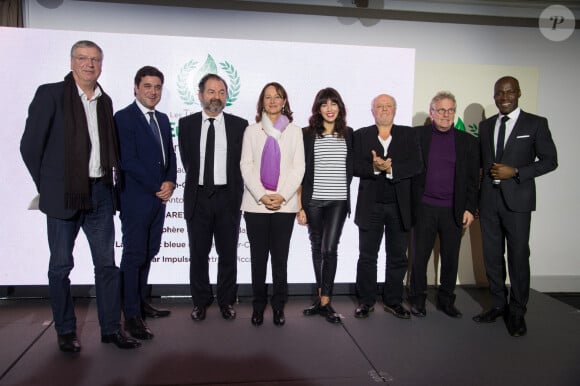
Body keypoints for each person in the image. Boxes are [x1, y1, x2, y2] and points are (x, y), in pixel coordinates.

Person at [20, 40, 140, 352]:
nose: (90, 64)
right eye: (83, 58)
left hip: (100, 192)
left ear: (102, 64)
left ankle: (112, 329)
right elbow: (30, 147)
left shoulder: (105, 100)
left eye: (95, 59)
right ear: (72, 61)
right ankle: (65, 330)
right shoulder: (51, 94)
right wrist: (49, 186)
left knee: (107, 265)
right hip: (63, 195)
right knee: (60, 266)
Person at [474, 76, 558, 337]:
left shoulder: (535, 123)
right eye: (499, 93)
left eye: (509, 92)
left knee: (519, 257)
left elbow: (550, 161)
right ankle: (498, 304)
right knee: (492, 256)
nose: (504, 97)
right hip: (489, 201)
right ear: (494, 96)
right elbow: (480, 164)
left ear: (519, 93)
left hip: (518, 203)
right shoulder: (486, 126)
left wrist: (517, 171)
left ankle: (518, 311)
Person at [178, 74, 248, 322]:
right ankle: (200, 301)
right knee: (198, 254)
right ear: (200, 95)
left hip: (228, 198)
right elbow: (188, 162)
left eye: (221, 92)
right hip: (198, 198)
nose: (215, 97)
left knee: (228, 254)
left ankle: (226, 301)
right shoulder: (185, 125)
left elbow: (242, 164)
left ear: (226, 97)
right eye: (210, 91)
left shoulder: (240, 125)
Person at [114, 66, 177, 340]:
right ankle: (130, 316)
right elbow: (127, 161)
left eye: (158, 87)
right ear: (136, 88)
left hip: (158, 201)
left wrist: (171, 182)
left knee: (148, 252)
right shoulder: (123, 118)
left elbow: (170, 156)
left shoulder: (162, 119)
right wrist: (157, 186)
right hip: (136, 199)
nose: (153, 92)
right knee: (133, 256)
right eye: (148, 86)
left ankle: (140, 302)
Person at [408, 91, 479, 319]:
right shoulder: (417, 136)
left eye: (450, 110)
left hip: (453, 210)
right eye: (441, 110)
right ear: (432, 113)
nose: (446, 115)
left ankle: (447, 301)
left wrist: (470, 208)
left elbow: (471, 179)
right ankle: (418, 300)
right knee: (420, 258)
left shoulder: (467, 141)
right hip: (424, 208)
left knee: (450, 258)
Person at [240, 82, 305, 327]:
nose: (273, 101)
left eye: (277, 97)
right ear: (262, 102)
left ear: (284, 101)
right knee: (257, 259)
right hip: (256, 205)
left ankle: (279, 306)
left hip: (284, 205)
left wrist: (283, 195)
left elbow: (299, 167)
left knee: (280, 259)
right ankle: (258, 306)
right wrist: (261, 194)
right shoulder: (251, 131)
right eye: (268, 97)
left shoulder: (295, 132)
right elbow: (246, 166)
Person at [353, 94, 422, 320]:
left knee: (397, 257)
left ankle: (393, 301)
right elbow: (353, 165)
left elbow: (416, 165)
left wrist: (391, 170)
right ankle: (366, 301)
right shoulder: (361, 135)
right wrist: (374, 168)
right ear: (373, 111)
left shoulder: (408, 134)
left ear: (395, 109)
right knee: (367, 256)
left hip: (399, 207)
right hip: (370, 206)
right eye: (379, 106)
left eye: (388, 106)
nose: (384, 109)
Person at [298, 88, 353, 324]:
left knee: (329, 249)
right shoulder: (307, 134)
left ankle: (326, 300)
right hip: (313, 201)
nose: (329, 109)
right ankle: (321, 298)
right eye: (324, 104)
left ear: (339, 107)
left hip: (338, 200)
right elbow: (300, 172)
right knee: (316, 247)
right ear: (318, 109)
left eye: (333, 104)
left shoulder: (349, 134)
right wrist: (300, 205)